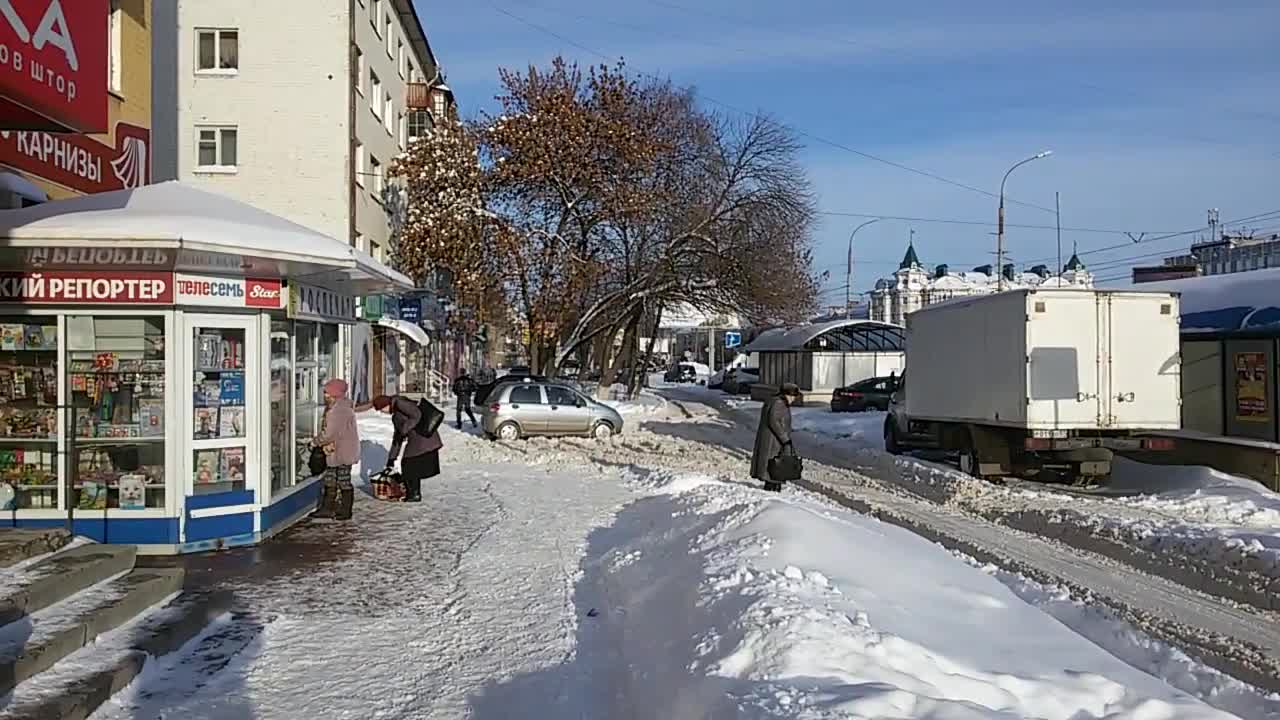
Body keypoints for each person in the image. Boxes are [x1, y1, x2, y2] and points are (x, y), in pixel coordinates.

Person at [372, 393, 442, 502]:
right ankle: (413, 493)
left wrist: (405, 428)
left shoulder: (400, 403)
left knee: (409, 463)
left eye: (381, 409)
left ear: (386, 405)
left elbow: (417, 414)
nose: (382, 412)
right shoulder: (396, 414)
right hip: (420, 439)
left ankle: (414, 494)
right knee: (410, 463)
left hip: (424, 438)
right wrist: (391, 459)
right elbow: (398, 438)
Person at [312, 378, 360, 520]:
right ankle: (329, 508)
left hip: (342, 451)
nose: (325, 395)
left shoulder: (338, 410)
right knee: (331, 478)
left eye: (327, 393)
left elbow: (330, 433)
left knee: (342, 480)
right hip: (340, 450)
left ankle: (344, 510)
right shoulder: (341, 406)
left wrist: (315, 442)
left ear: (335, 394)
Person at [751, 383, 802, 492]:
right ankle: (773, 493)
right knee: (776, 467)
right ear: (786, 395)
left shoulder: (773, 400)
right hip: (774, 441)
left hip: (771, 440)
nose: (793, 399)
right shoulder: (779, 403)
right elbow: (774, 421)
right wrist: (785, 439)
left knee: (772, 469)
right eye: (792, 396)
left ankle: (771, 488)